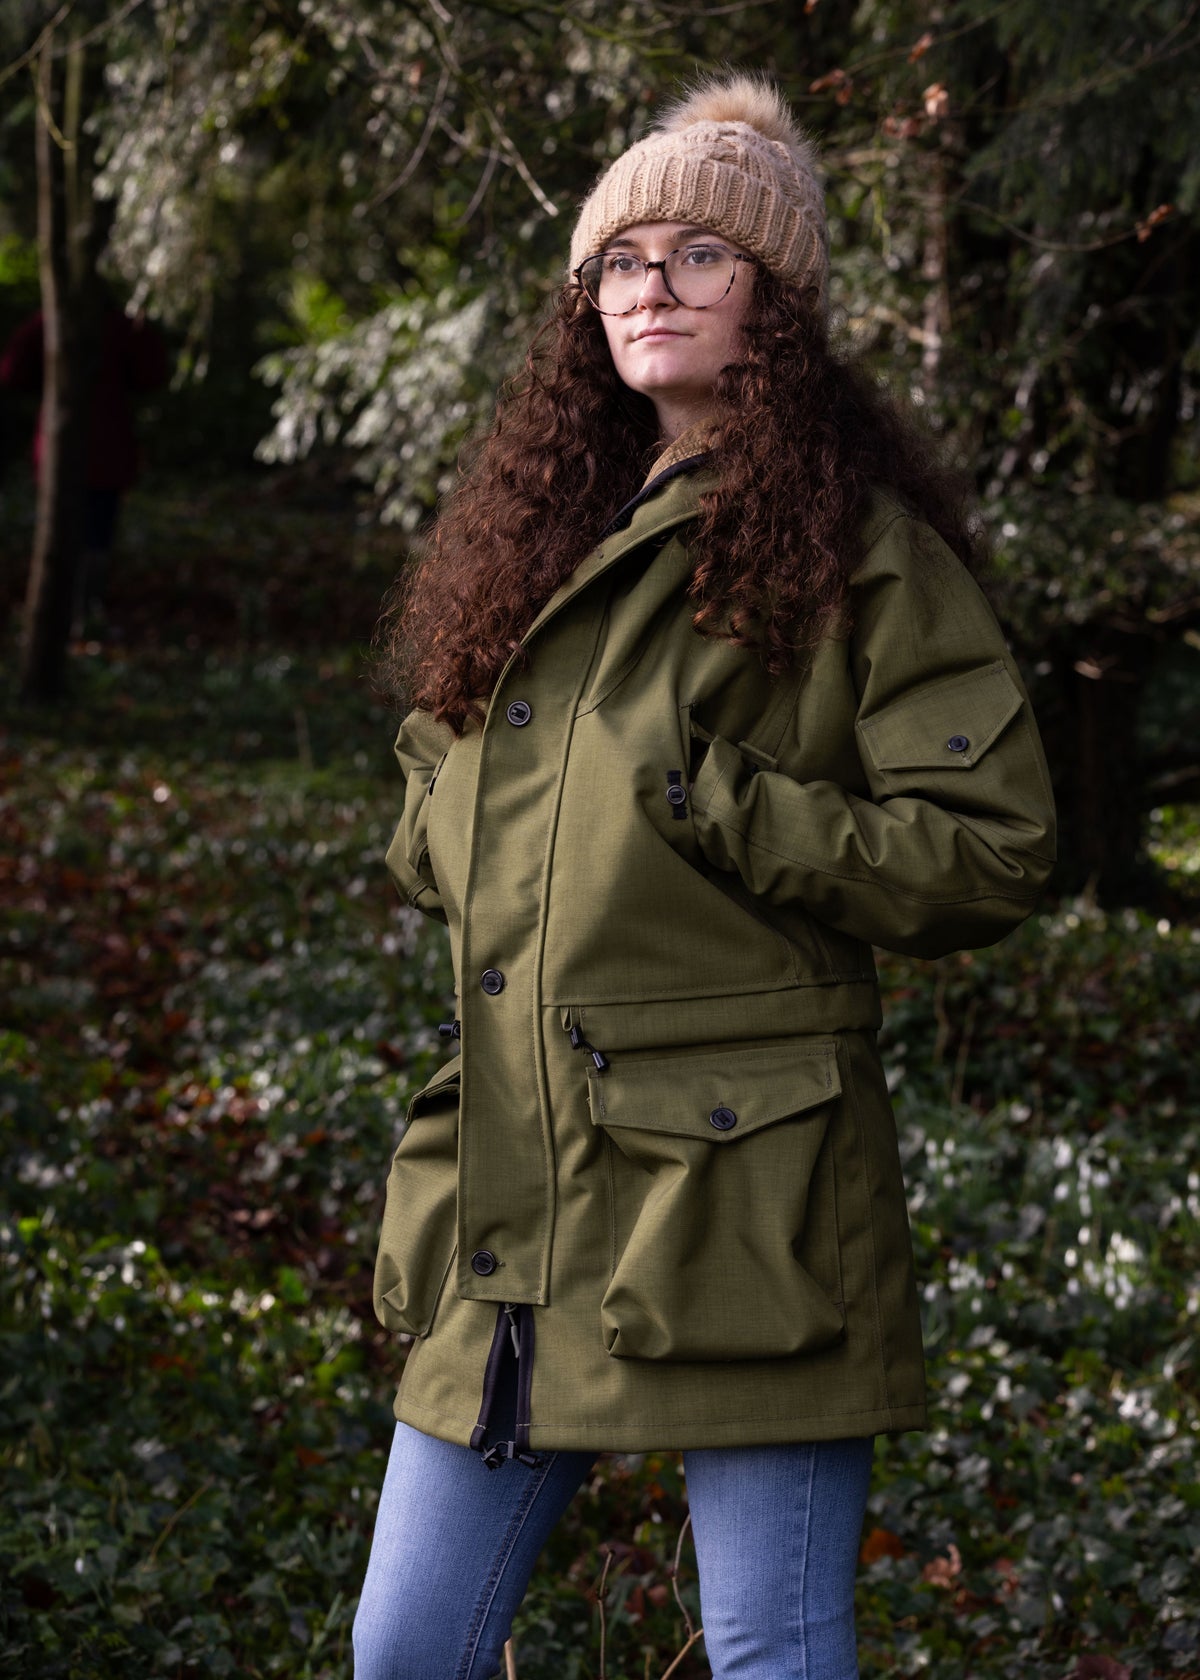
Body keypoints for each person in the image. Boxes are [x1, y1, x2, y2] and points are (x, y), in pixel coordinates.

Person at [355, 74, 1056, 1680]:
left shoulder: (863, 550)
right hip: (520, 1186)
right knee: (404, 1650)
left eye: (699, 256)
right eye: (620, 260)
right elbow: (447, 786)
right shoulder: (547, 530)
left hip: (749, 1205)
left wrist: (726, 805)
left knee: (770, 1655)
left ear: (777, 301)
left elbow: (994, 847)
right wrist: (441, 812)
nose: (650, 288)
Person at [0, 294, 167, 633]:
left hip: (78, 450)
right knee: (89, 534)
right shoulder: (104, 325)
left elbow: (12, 373)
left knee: (78, 531)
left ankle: (75, 612)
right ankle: (75, 612)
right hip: (89, 449)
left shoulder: (59, 322)